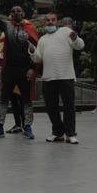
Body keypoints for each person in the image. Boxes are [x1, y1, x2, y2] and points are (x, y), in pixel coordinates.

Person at [0, 0, 39, 139]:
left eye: (19, 11)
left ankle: (28, 127)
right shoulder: (7, 26)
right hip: (9, 70)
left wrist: (32, 68)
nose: (16, 13)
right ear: (11, 14)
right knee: (4, 99)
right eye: (13, 11)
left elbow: (37, 50)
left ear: (23, 14)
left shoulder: (30, 29)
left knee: (26, 99)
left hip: (24, 70)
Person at [30, 13, 85, 144]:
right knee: (51, 107)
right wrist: (32, 51)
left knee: (69, 106)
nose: (50, 22)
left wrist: (76, 38)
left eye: (52, 20)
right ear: (45, 23)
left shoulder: (66, 31)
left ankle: (70, 134)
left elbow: (80, 46)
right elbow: (38, 58)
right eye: (47, 20)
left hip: (66, 76)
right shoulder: (43, 39)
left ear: (58, 22)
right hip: (49, 77)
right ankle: (57, 132)